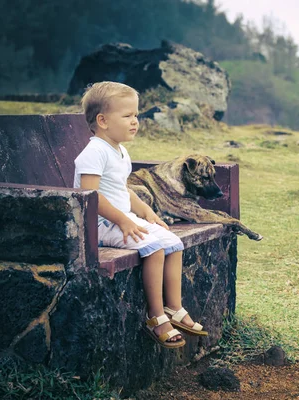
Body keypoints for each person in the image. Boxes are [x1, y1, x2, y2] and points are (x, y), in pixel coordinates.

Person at [74, 81, 208, 349]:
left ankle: (174, 307)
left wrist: (146, 212)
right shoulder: (94, 152)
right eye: (127, 116)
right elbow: (90, 196)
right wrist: (123, 220)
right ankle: (155, 316)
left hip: (119, 219)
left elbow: (121, 190)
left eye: (136, 115)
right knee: (155, 248)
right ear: (102, 120)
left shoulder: (120, 150)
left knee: (173, 243)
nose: (135, 121)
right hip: (98, 224)